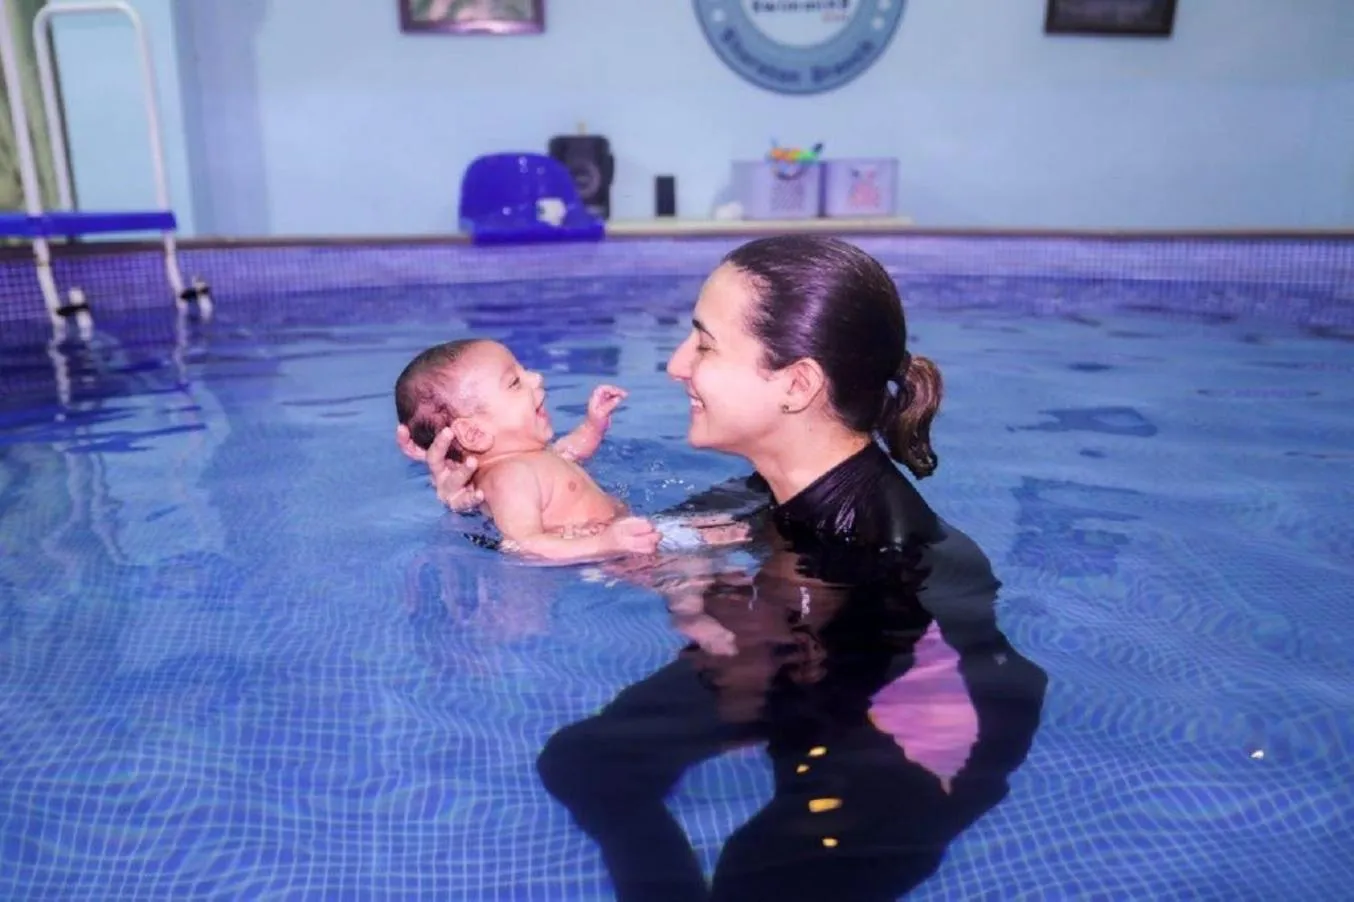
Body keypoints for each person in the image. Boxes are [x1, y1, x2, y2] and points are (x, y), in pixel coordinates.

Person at [403, 235, 1047, 899]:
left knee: (755, 875)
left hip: (927, 738)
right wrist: (488, 509)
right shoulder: (768, 495)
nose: (677, 365)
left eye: (704, 345)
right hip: (804, 658)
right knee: (588, 763)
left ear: (797, 385)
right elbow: (637, 545)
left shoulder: (867, 549)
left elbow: (809, 666)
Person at [394, 339, 744, 561]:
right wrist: (603, 544)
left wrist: (593, 425)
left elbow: (570, 454)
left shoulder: (530, 457)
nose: (536, 379)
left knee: (727, 533)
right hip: (616, 556)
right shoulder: (508, 479)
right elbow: (524, 544)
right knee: (694, 580)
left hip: (628, 533)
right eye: (515, 382)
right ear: (474, 432)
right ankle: (705, 626)